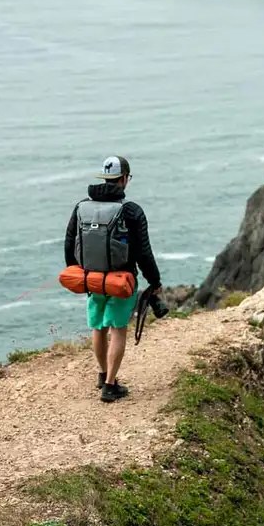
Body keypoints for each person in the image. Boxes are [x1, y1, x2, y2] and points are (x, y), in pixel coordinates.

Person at [64, 156, 163, 402]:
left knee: (98, 327)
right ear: (123, 179)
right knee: (118, 330)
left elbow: (69, 243)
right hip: (121, 280)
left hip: (93, 279)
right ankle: (110, 386)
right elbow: (143, 251)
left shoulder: (81, 207)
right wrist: (154, 281)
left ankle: (103, 374)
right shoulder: (130, 211)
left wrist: (79, 273)